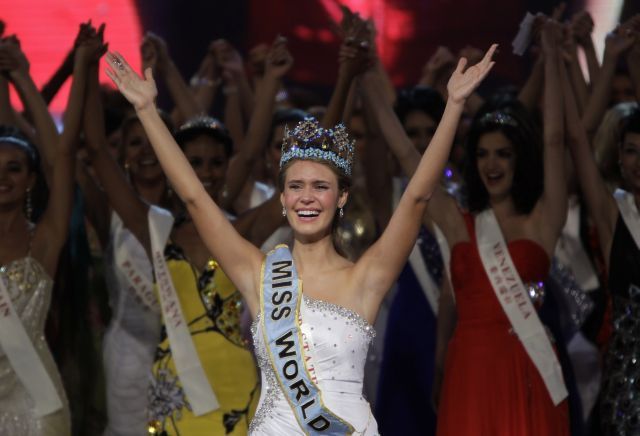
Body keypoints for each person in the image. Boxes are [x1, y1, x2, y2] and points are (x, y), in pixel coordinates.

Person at [105, 20, 497, 430]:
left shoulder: (366, 276)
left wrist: (452, 106)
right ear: (282, 198)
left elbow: (417, 195)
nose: (307, 196)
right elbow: (194, 199)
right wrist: (147, 111)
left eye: (320, 186)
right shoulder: (258, 274)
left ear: (341, 197)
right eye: (296, 186)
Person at [0, 28, 98, 435]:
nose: (2, 177)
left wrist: (26, 76)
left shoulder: (45, 238)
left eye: (14, 168)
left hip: (35, 403)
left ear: (30, 181)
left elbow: (63, 150)